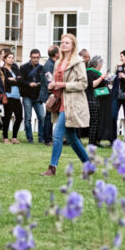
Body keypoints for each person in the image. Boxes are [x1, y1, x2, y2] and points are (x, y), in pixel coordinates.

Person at [44, 33, 91, 176]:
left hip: (71, 102)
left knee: (57, 134)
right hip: (60, 101)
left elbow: (83, 83)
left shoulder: (78, 62)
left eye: (67, 43)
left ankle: (52, 168)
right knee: (71, 137)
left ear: (73, 46)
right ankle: (88, 164)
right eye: (62, 42)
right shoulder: (57, 63)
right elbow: (54, 80)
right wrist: (52, 85)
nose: (63, 44)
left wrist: (63, 84)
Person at [18, 49, 46, 144]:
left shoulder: (42, 68)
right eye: (34, 57)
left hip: (38, 96)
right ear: (30, 57)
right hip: (27, 95)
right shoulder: (23, 67)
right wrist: (29, 84)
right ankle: (29, 138)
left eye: (37, 57)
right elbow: (20, 81)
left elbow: (44, 81)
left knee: (42, 117)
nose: (35, 59)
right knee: (28, 118)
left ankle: (41, 138)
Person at [86, 56, 112, 147]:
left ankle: (95, 141)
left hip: (98, 99)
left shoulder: (95, 73)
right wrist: (102, 77)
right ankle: (91, 142)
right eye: (101, 64)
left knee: (96, 121)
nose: (101, 66)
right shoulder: (89, 72)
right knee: (94, 121)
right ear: (97, 64)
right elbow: (92, 84)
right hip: (92, 99)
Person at [0, 50, 23, 144]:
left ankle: (14, 137)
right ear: (4, 59)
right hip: (8, 95)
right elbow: (5, 81)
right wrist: (15, 80)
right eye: (9, 57)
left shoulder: (15, 68)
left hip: (17, 96)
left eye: (13, 57)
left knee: (19, 117)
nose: (12, 59)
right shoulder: (3, 70)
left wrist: (14, 79)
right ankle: (5, 137)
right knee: (7, 117)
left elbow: (21, 79)